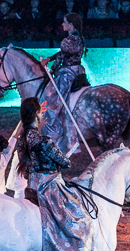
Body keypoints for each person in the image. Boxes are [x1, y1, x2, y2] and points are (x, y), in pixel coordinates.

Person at [15, 97, 97, 251]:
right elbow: (65, 162)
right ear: (36, 115)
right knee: (80, 221)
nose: (42, 116)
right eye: (40, 113)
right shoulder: (44, 141)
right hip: (49, 188)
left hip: (31, 187)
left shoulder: (21, 141)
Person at [38, 13, 86, 156]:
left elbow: (61, 56)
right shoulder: (80, 39)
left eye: (64, 22)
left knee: (52, 102)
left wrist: (52, 68)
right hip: (79, 71)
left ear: (71, 24)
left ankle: (54, 136)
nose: (62, 24)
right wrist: (49, 59)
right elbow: (61, 53)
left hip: (67, 74)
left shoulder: (67, 40)